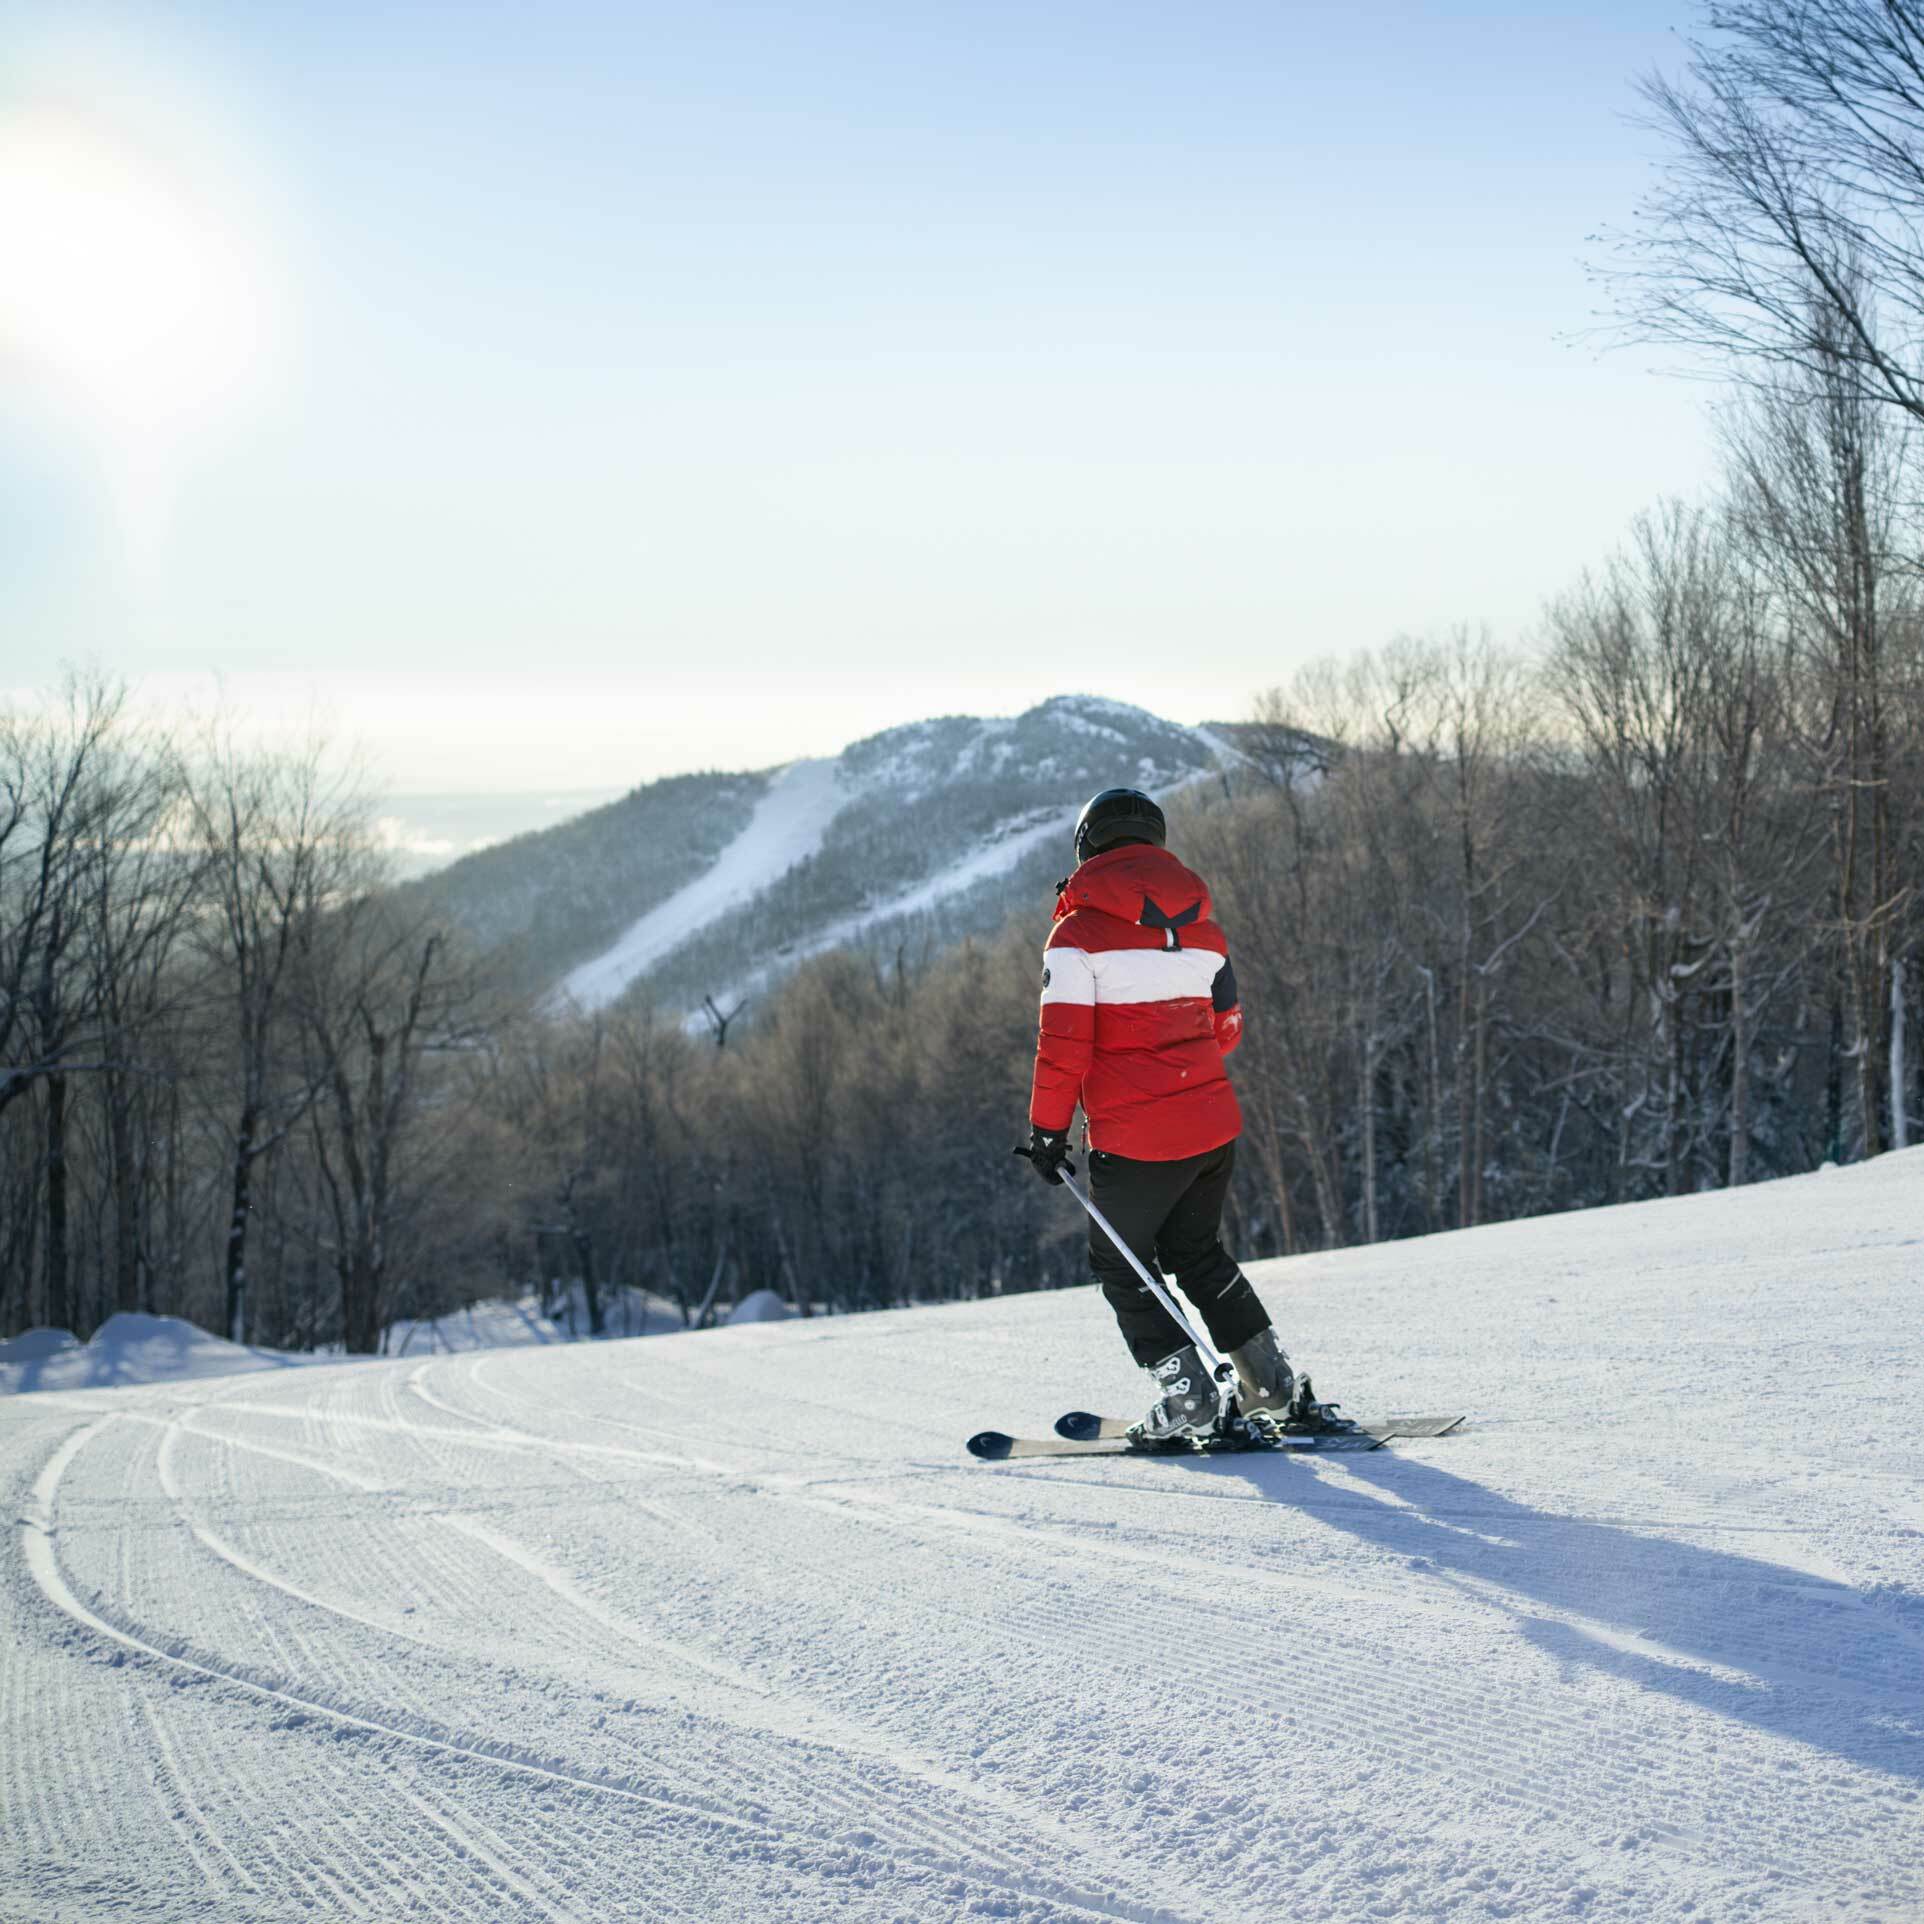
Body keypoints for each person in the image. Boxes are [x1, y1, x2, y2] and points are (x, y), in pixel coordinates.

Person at [1014, 785, 1294, 1441]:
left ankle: (1190, 1396)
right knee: (1196, 1252)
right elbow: (1226, 1029)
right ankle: (1271, 1384)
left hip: (1137, 1138)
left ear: (1088, 847)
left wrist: (1048, 1133)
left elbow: (1063, 1047)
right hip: (1210, 1127)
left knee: (1121, 1263)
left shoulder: (1076, 935)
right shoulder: (1205, 930)